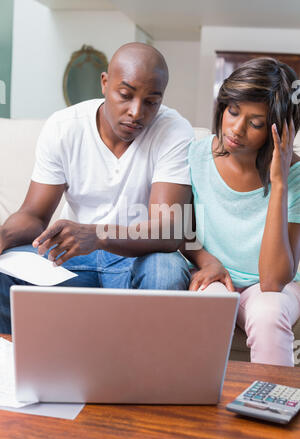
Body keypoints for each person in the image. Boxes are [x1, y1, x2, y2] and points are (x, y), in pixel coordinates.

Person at [0, 42, 217, 334]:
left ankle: (141, 371)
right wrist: (3, 235)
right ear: (104, 83)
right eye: (125, 95)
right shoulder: (64, 127)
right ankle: (21, 370)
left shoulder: (173, 130)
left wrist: (99, 234)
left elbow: (170, 230)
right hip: (71, 260)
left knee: (165, 270)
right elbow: (34, 215)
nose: (136, 112)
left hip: (136, 259)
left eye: (151, 101)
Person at [184, 57, 300, 367]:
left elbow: (274, 281)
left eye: (256, 123)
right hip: (216, 278)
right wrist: (206, 262)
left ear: (281, 128)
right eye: (233, 111)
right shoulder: (194, 156)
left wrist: (279, 183)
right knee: (209, 305)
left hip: (275, 287)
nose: (236, 128)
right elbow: (181, 232)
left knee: (268, 313)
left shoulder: (296, 175)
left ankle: (271, 408)